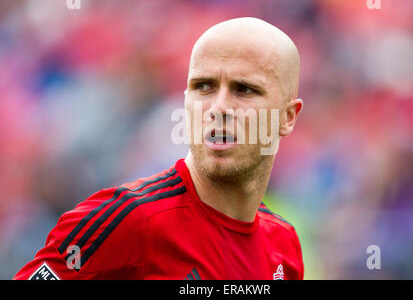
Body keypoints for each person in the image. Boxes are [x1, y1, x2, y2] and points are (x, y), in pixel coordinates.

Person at [14, 17, 304, 280]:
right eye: (204, 86)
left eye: (245, 89)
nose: (219, 107)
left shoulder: (284, 245)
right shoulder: (127, 221)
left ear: (287, 117)